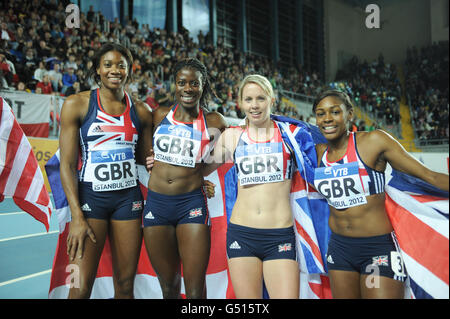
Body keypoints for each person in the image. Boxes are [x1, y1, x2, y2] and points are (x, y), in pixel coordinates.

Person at [311, 89, 449, 299]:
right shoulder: (319, 152)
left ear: (350, 114)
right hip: (339, 250)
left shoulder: (373, 141)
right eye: (321, 113)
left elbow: (429, 176)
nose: (327, 118)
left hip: (376, 251)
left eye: (335, 111)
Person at [59, 42, 153, 299]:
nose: (115, 70)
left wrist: (193, 177)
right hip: (91, 202)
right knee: (79, 286)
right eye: (108, 65)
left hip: (128, 201)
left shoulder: (142, 111)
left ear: (129, 71)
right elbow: (66, 165)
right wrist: (76, 216)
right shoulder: (76, 104)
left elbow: (149, 161)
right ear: (97, 70)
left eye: (121, 65)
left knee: (124, 285)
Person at [202, 74, 300, 298]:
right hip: (242, 235)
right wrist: (158, 162)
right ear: (240, 103)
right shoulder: (233, 137)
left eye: (260, 98)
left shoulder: (290, 136)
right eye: (248, 99)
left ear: (272, 100)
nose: (254, 105)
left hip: (279, 235)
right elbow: (199, 169)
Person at [142, 58, 228, 299]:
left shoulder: (214, 122)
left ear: (203, 86)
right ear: (175, 85)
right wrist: (150, 159)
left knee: (194, 288)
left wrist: (200, 176)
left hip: (191, 205)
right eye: (182, 83)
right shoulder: (158, 115)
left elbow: (224, 157)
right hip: (157, 205)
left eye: (194, 83)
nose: (188, 88)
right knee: (168, 286)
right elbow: (144, 153)